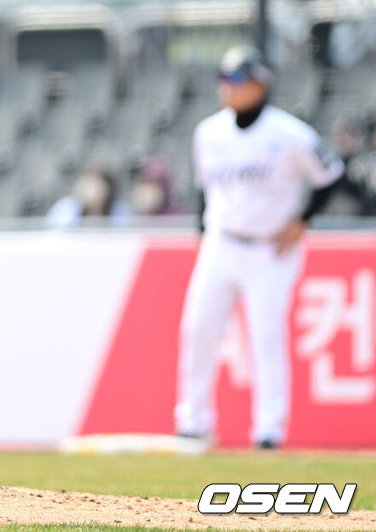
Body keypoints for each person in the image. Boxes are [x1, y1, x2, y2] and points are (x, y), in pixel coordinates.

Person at [174, 46, 343, 450]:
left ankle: (269, 429)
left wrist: (303, 220)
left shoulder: (289, 134)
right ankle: (193, 421)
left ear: (259, 84)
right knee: (198, 329)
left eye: (236, 79)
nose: (227, 87)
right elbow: (204, 190)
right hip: (221, 241)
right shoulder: (209, 133)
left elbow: (331, 175)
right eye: (223, 78)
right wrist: (201, 234)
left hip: (270, 249)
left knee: (265, 337)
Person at [45, 161, 132, 228]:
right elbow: (54, 235)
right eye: (88, 183)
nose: (92, 189)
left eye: (97, 184)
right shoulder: (66, 209)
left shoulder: (120, 211)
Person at [329, 114, 376, 215]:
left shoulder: (363, 162)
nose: (340, 140)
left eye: (344, 135)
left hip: (362, 216)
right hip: (339, 216)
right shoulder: (336, 162)